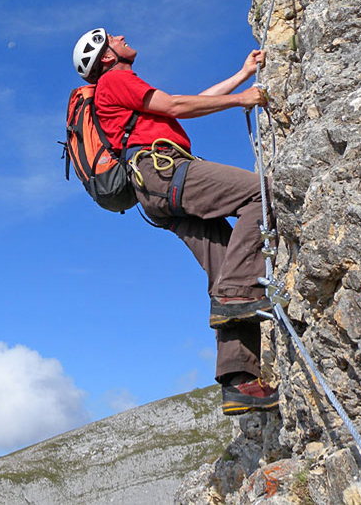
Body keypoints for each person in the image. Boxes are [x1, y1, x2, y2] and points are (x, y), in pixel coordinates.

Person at [71, 28, 278, 416]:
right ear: (106, 58)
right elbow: (177, 106)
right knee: (260, 193)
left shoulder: (115, 91)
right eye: (111, 38)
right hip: (164, 171)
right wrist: (242, 99)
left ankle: (239, 382)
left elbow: (190, 102)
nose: (121, 35)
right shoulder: (116, 79)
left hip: (156, 191)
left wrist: (241, 75)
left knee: (227, 268)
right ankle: (236, 296)